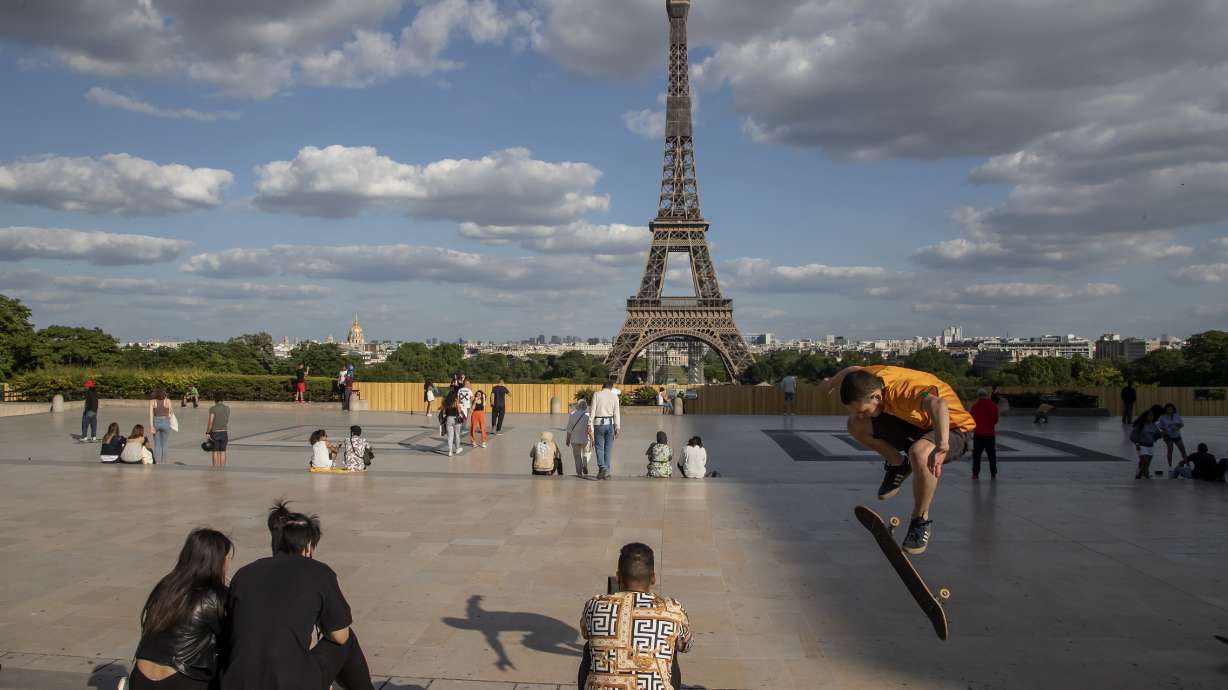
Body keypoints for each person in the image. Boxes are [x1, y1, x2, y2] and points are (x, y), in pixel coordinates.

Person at [818, 365, 976, 555]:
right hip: (917, 422)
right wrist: (830, 383)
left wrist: (942, 445)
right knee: (855, 424)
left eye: (864, 410)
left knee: (920, 453)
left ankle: (920, 520)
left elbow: (939, 405)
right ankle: (898, 464)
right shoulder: (869, 378)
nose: (862, 414)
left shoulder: (903, 391)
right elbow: (852, 370)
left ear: (876, 396)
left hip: (951, 427)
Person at [222, 501, 374, 690]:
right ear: (309, 545)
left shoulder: (244, 573)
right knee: (346, 638)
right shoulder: (319, 572)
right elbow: (339, 635)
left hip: (238, 682)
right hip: (292, 683)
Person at [128, 528, 232, 690]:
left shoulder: (167, 586)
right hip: (182, 681)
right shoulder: (215, 595)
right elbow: (232, 640)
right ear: (218, 560)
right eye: (226, 557)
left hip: (140, 679)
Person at [579, 543, 691, 690]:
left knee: (590, 646)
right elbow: (686, 645)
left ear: (618, 577)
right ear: (653, 578)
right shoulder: (673, 609)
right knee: (672, 645)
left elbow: (586, 633)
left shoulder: (594, 605)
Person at [588, 380, 621, 480]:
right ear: (611, 387)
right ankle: (606, 471)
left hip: (599, 423)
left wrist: (590, 423)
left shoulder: (597, 394)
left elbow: (592, 410)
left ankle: (602, 467)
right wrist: (617, 427)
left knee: (599, 447)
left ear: (603, 387)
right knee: (608, 449)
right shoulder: (614, 396)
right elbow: (617, 413)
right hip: (610, 423)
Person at [969, 387, 999, 480]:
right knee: (992, 456)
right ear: (987, 395)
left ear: (978, 396)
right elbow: (995, 420)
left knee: (977, 456)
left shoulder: (975, 406)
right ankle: (993, 474)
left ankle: (975, 474)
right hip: (990, 435)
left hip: (978, 435)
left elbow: (972, 420)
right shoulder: (994, 406)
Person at [565, 399, 593, 477]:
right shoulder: (588, 415)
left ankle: (579, 473)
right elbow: (591, 429)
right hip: (585, 439)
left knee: (577, 456)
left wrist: (567, 439)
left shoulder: (572, 414)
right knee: (587, 453)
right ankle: (585, 463)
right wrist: (593, 440)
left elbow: (569, 428)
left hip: (574, 439)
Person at [1131, 409, 1161, 479]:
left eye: (1152, 416)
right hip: (1142, 446)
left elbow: (1156, 435)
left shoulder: (1153, 425)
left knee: (1145, 464)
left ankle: (1138, 474)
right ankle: (1147, 476)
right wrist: (1137, 443)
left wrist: (1162, 434)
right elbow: (1133, 436)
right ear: (1145, 416)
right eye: (1149, 415)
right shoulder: (1140, 425)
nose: (1151, 417)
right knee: (1145, 462)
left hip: (1150, 446)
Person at [1156, 403, 1188, 468]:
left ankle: (1187, 464)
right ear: (1165, 410)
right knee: (1170, 449)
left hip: (1176, 435)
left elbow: (1181, 424)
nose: (1169, 410)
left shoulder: (1177, 416)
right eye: (1168, 409)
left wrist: (1177, 427)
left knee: (1182, 450)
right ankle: (1170, 466)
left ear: (1173, 409)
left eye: (1171, 409)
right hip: (1167, 436)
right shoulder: (1162, 417)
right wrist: (1164, 430)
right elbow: (1159, 425)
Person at [148, 388, 174, 464]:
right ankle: (164, 462)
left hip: (156, 422)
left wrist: (151, 426)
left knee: (157, 444)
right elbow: (171, 412)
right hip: (166, 422)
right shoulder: (168, 401)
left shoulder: (152, 401)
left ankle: (157, 462)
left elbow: (151, 415)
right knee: (164, 444)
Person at [206, 392, 230, 468]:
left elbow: (210, 421)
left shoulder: (213, 408)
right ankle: (222, 468)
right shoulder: (227, 408)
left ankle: (215, 468)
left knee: (215, 451)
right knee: (223, 451)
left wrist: (207, 432)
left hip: (215, 433)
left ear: (215, 399)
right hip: (224, 432)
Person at [441, 390, 463, 457]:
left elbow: (444, 412)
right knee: (457, 435)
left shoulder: (445, 402)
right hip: (456, 419)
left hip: (448, 419)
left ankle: (450, 451)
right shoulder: (456, 401)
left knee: (450, 436)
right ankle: (457, 448)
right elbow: (459, 411)